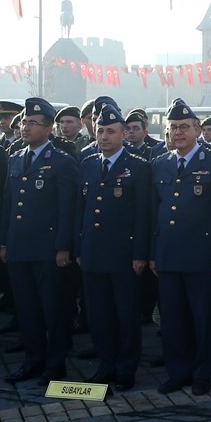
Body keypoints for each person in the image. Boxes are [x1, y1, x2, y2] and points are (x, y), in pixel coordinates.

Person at [150, 99, 211, 396]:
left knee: (202, 319)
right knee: (171, 320)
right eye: (173, 128)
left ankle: (202, 373)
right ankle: (177, 371)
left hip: (202, 256)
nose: (178, 133)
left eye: (184, 127)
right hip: (168, 254)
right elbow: (153, 215)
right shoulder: (159, 164)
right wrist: (152, 254)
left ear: (197, 129)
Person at [0, 98, 79, 385]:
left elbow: (67, 208)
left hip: (47, 250)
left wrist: (63, 247)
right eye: (23, 122)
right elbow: (9, 204)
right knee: (27, 308)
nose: (25, 127)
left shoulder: (62, 162)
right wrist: (4, 242)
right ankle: (32, 360)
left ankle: (55, 365)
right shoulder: (16, 158)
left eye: (32, 123)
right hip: (19, 247)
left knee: (53, 309)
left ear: (48, 129)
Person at [74, 105, 151, 392]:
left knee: (126, 316)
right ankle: (106, 366)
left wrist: (140, 254)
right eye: (101, 131)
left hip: (124, 256)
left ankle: (126, 369)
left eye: (110, 131)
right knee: (99, 315)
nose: (104, 136)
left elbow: (144, 215)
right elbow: (80, 212)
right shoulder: (88, 164)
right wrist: (78, 248)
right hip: (93, 253)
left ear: (123, 134)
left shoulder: (139, 166)